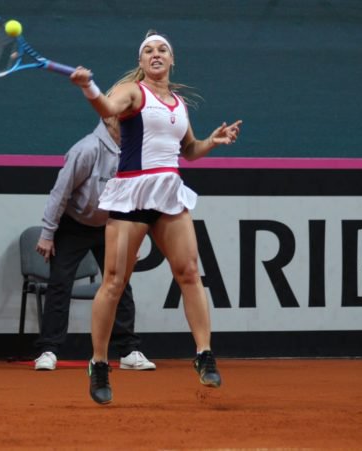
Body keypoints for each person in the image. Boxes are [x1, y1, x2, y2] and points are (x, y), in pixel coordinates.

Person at [70, 30, 242, 404]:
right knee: (114, 282)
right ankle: (99, 363)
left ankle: (204, 355)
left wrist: (213, 141)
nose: (156, 53)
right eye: (148, 50)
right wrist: (89, 88)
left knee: (190, 273)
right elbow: (108, 109)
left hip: (168, 194)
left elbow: (189, 150)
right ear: (141, 62)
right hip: (132, 195)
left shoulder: (178, 104)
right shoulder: (133, 92)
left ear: (172, 59)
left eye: (162, 48)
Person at [33, 116, 156, 372]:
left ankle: (128, 351)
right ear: (109, 119)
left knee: (120, 284)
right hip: (73, 224)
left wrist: (134, 235)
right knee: (60, 283)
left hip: (112, 224)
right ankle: (48, 351)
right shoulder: (87, 149)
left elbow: (134, 195)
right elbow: (60, 192)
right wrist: (47, 233)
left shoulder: (134, 150)